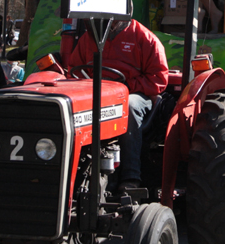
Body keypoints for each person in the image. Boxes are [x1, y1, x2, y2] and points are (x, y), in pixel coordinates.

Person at [68, 16, 169, 192]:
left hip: (134, 94)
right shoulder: (88, 39)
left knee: (127, 106)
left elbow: (158, 79)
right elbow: (74, 69)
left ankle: (131, 175)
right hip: (97, 91)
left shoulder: (144, 38)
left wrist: (128, 86)